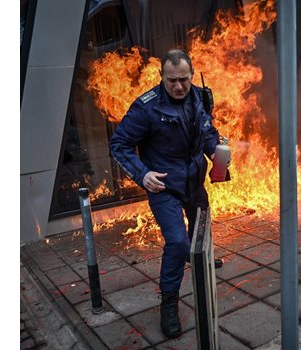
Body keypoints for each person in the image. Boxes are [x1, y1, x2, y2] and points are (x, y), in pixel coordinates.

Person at [109, 49, 226, 339]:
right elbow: (119, 144)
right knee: (176, 242)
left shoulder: (200, 96)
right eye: (172, 80)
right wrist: (142, 174)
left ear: (191, 74)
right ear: (162, 76)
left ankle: (200, 257)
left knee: (202, 234)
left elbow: (208, 130)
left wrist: (216, 152)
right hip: (164, 187)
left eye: (184, 79)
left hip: (195, 183)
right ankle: (169, 304)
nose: (178, 87)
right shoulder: (146, 107)